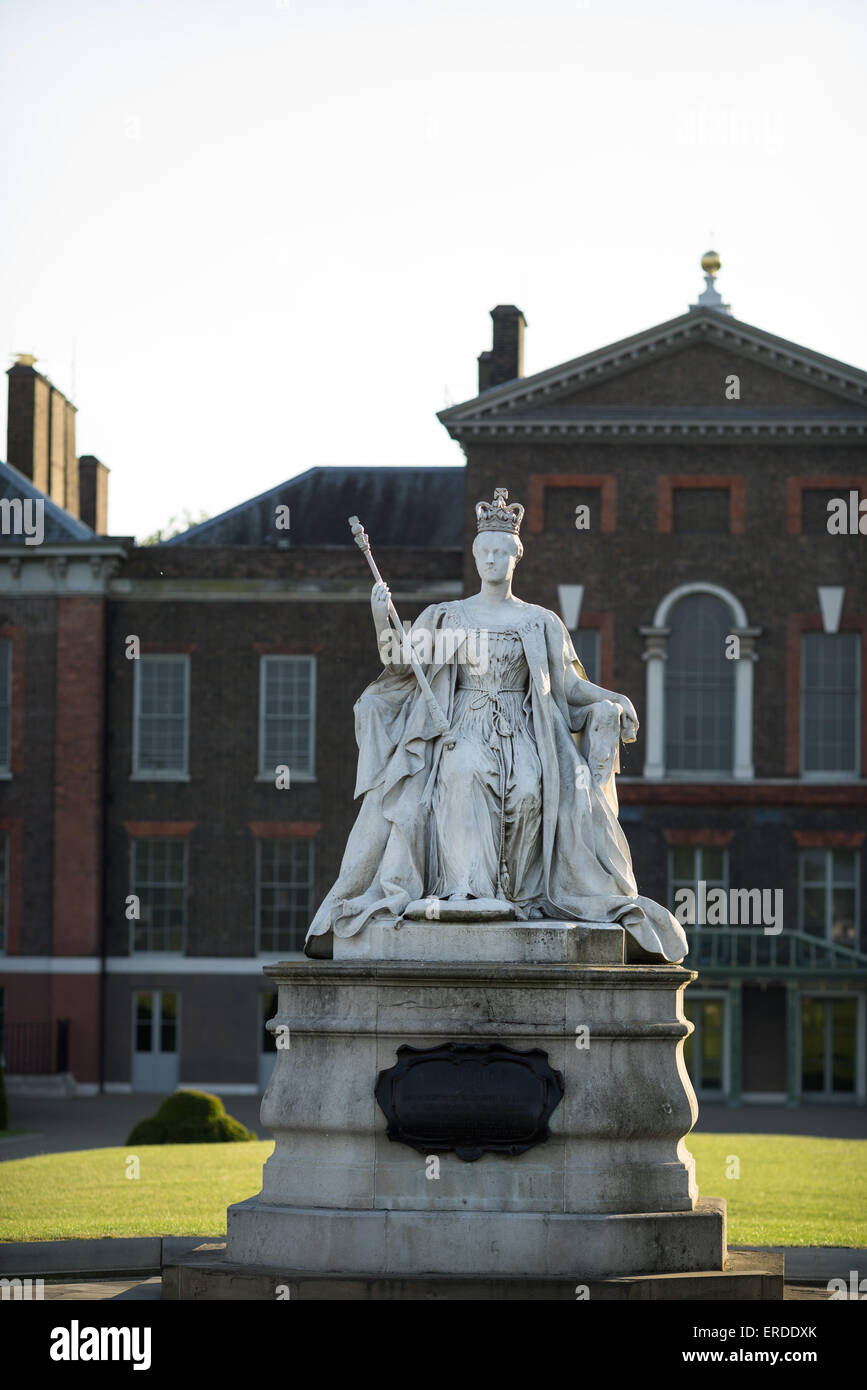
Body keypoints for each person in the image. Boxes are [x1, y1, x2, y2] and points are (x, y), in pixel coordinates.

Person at [305, 489, 687, 962]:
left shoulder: (539, 621)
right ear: (475, 556)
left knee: (529, 788)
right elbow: (402, 661)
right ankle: (465, 892)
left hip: (523, 729)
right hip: (461, 725)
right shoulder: (447, 616)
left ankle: (518, 899)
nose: (490, 559)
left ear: (514, 558)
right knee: (464, 774)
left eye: (500, 552)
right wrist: (381, 614)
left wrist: (611, 700)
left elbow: (566, 687)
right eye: (483, 551)